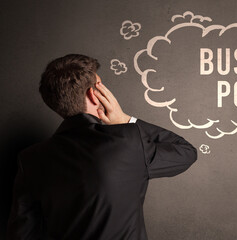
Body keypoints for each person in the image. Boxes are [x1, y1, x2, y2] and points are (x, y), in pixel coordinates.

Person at [6, 54, 197, 240]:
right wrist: (125, 120)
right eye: (101, 85)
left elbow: (21, 234)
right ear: (94, 94)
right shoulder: (129, 143)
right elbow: (185, 152)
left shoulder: (30, 159)